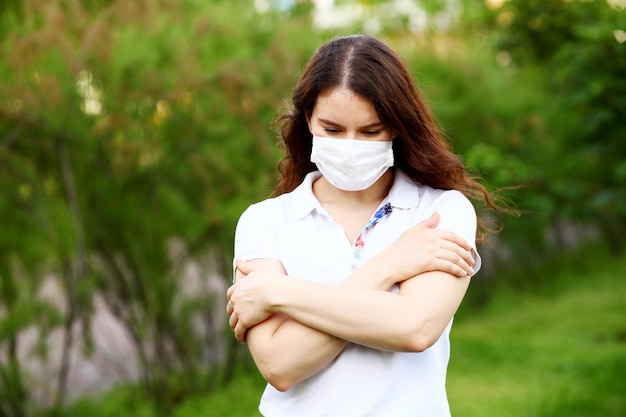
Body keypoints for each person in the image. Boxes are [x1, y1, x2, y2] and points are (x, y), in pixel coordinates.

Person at [226, 34, 500, 417]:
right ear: (308, 120)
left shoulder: (440, 211)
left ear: (397, 126)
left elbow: (415, 328)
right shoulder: (264, 221)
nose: (351, 145)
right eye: (333, 130)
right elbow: (280, 366)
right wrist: (389, 266)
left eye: (370, 131)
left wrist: (276, 292)